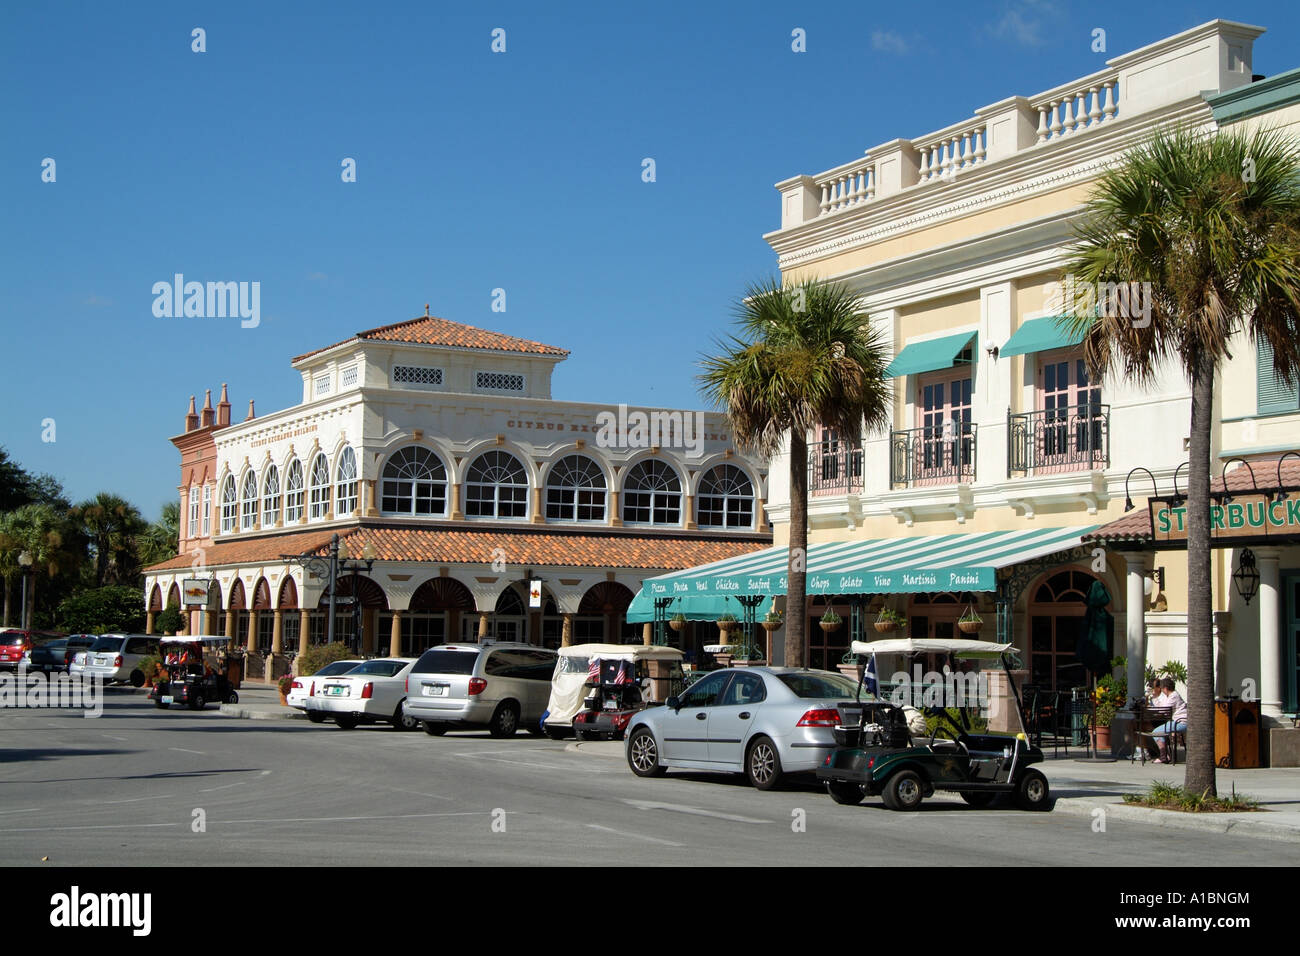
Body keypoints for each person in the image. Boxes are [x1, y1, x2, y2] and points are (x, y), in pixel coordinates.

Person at [1151, 677, 1187, 763]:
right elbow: (1162, 706)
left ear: (1166, 689)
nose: (1162, 691)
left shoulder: (1173, 696)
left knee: (1156, 732)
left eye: (1162, 689)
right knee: (1158, 731)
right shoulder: (1172, 695)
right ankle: (1165, 755)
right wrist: (1155, 697)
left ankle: (1164, 756)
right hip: (1178, 722)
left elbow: (1164, 709)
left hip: (1181, 722)